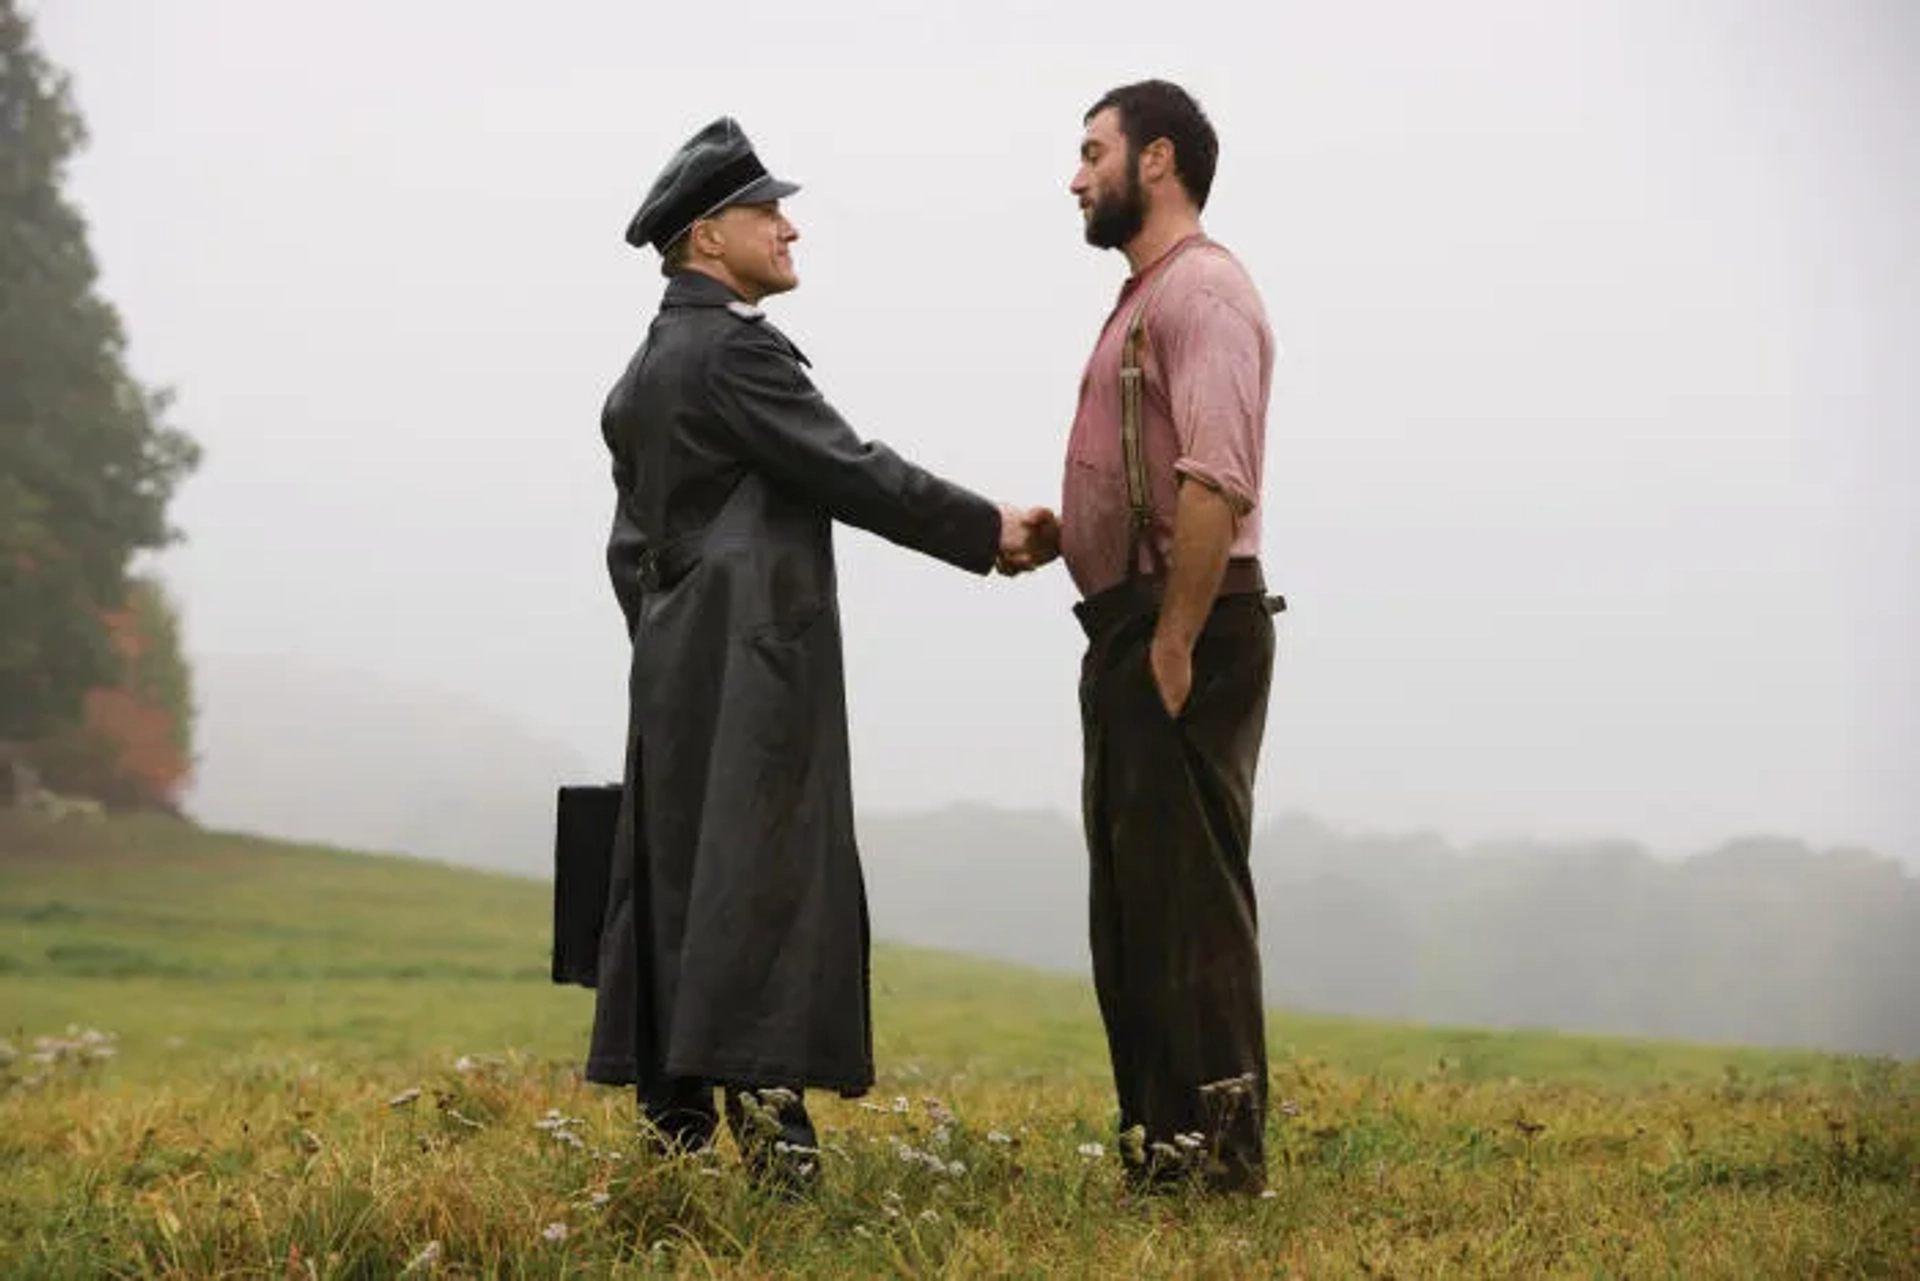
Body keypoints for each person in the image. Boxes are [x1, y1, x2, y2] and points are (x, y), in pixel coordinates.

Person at [583, 116, 1058, 1190]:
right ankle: (778, 1163)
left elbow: (630, 551)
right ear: (709, 237)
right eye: (768, 212)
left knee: (680, 877)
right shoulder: (736, 351)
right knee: (763, 882)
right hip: (754, 672)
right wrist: (993, 531)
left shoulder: (647, 367)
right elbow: (855, 470)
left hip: (674, 665)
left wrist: (674, 635)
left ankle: (677, 1140)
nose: (789, 227)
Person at [1059, 79, 1284, 1196]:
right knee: (1135, 905)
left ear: (1157, 160)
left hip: (1181, 624)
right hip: (1134, 624)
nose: (1075, 175)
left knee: (1187, 904)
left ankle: (1218, 1167)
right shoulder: (1149, 293)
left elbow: (1215, 480)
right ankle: (1162, 1154)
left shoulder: (1206, 293)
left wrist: (1178, 637)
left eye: (1093, 150)